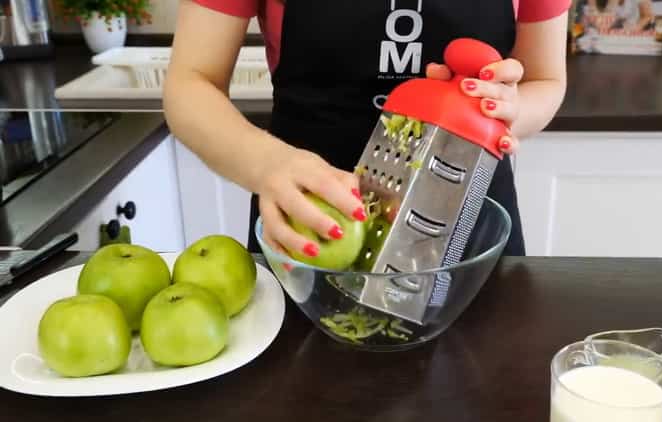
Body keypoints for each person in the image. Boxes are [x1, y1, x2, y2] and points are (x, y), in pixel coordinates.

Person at [164, 0, 570, 259]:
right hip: (309, 229)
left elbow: (545, 80)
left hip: (466, 232)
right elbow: (190, 82)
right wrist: (267, 163)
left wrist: (507, 108)